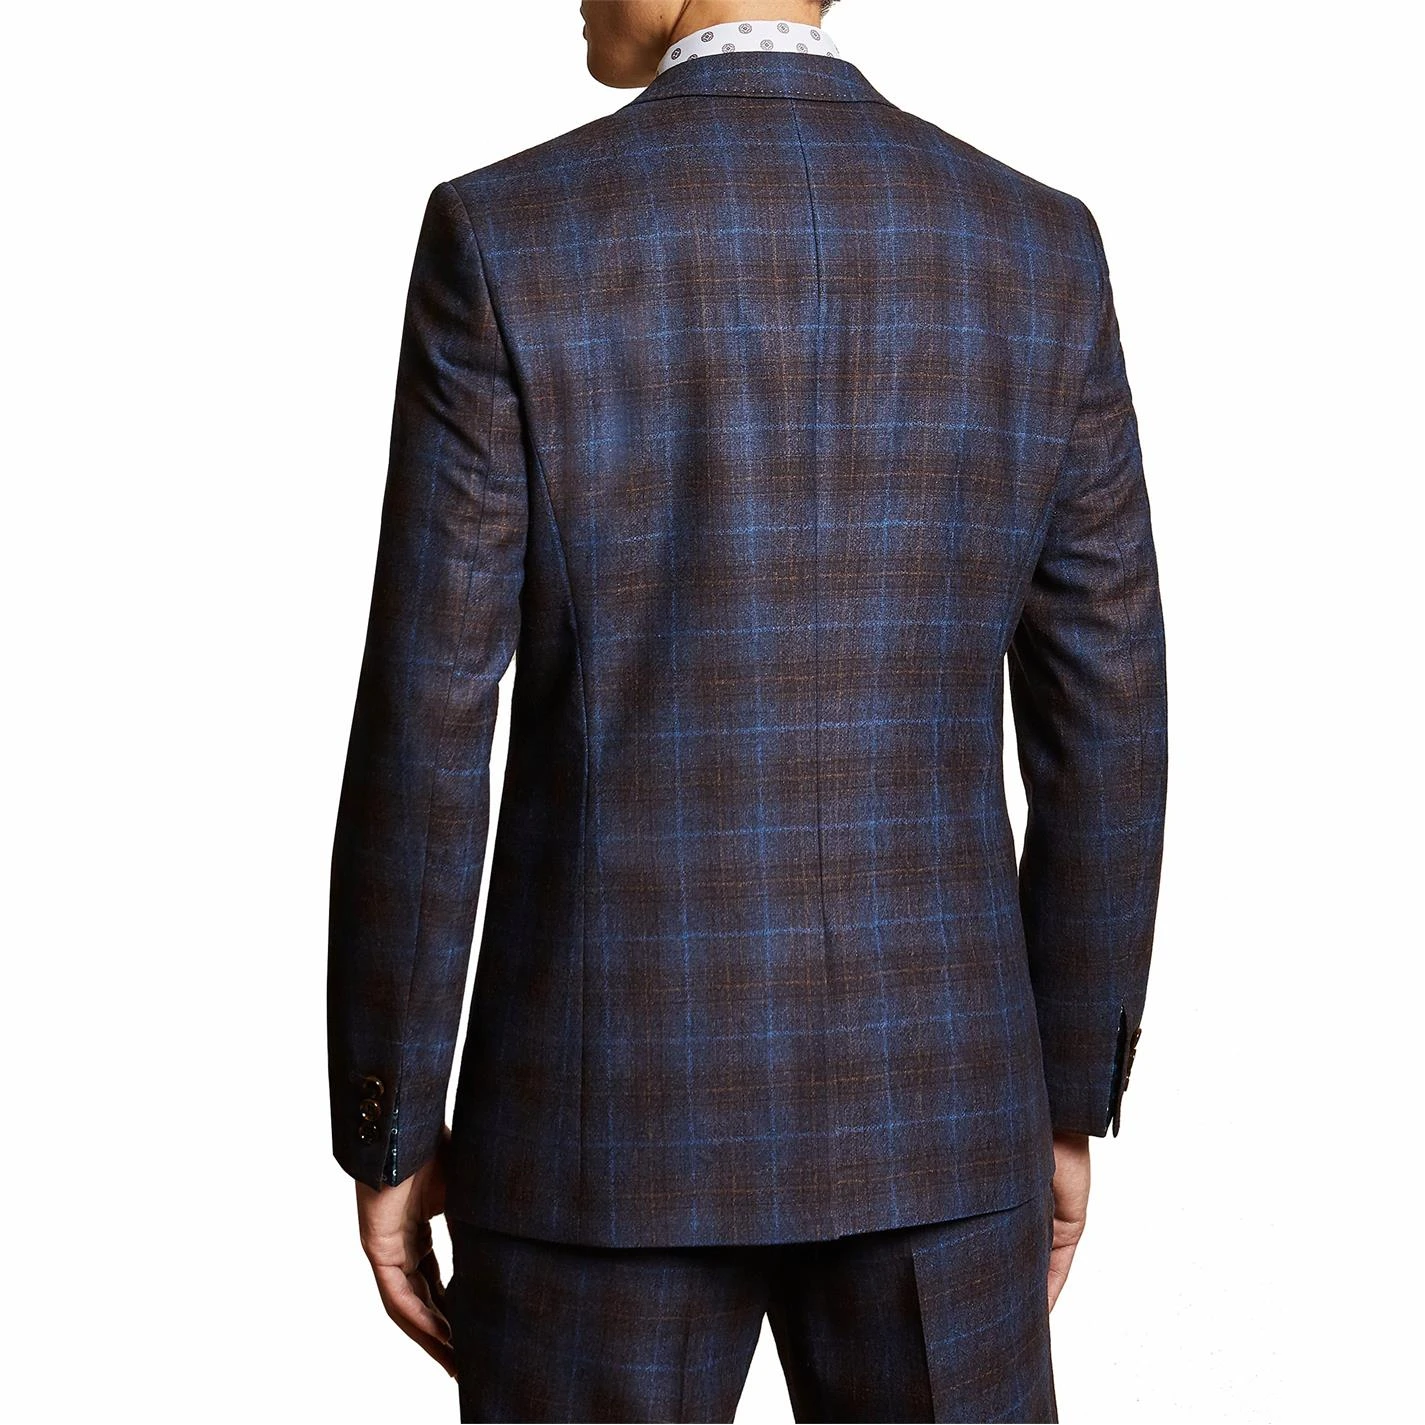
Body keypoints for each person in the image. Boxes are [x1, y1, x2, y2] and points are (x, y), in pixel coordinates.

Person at [326, 2, 1168, 1419]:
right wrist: (1066, 1088)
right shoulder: (1034, 248)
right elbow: (1110, 714)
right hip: (942, 1118)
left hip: (596, 1131)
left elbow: (430, 717)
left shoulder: (508, 237)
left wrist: (391, 1113)